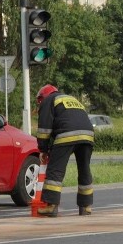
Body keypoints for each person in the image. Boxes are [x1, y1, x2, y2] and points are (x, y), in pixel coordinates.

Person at [34, 84, 96, 217]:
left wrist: (43, 149)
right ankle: (86, 207)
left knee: (55, 170)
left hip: (67, 134)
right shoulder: (71, 99)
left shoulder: (48, 101)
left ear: (42, 98)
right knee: (84, 169)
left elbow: (44, 129)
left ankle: (51, 206)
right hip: (88, 135)